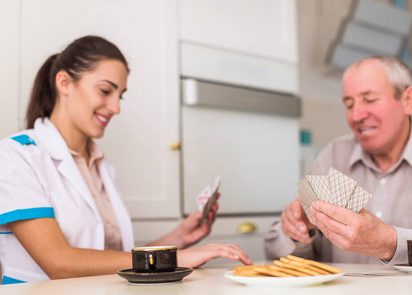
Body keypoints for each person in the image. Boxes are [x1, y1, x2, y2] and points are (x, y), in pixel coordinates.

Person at [0, 35, 251, 284]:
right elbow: (61, 264)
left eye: (119, 95)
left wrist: (179, 238)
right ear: (64, 83)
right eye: (105, 90)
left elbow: (115, 260)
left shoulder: (103, 167)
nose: (115, 108)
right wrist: (180, 258)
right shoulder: (15, 156)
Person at [264, 56, 412, 265]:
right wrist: (297, 232)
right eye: (349, 104)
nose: (356, 115)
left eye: (369, 100)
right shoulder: (333, 156)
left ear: (408, 101)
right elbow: (275, 255)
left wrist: (389, 242)